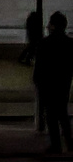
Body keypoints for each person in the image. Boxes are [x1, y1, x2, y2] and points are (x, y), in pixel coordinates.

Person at [35, 11, 73, 153]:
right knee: (63, 113)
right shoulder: (70, 44)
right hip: (64, 82)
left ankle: (56, 145)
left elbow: (40, 67)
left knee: (51, 115)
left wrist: (38, 81)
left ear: (53, 26)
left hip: (48, 83)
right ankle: (69, 143)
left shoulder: (45, 43)